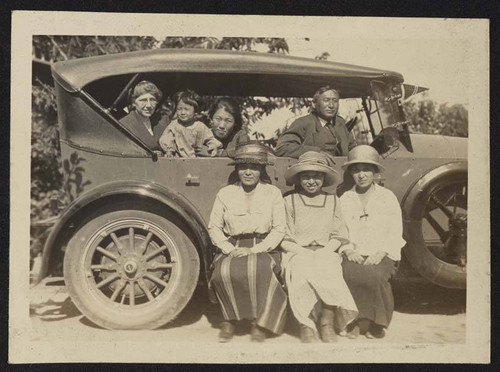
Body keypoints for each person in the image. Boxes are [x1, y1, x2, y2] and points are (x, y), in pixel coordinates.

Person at [208, 142, 288, 342]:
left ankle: (259, 323)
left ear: (262, 169)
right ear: (237, 169)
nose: (248, 172)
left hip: (264, 247)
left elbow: (279, 229)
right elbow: (214, 227)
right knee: (223, 271)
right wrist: (228, 248)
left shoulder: (272, 193)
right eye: (243, 167)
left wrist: (256, 249)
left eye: (254, 167)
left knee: (261, 269)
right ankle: (229, 320)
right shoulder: (225, 193)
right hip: (233, 246)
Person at [281, 151, 358, 343]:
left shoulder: (333, 201)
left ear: (323, 178)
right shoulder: (289, 201)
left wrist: (324, 251)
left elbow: (339, 233)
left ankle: (326, 321)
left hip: (326, 250)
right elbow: (283, 235)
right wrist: (302, 251)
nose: (311, 181)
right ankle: (305, 324)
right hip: (297, 251)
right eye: (306, 176)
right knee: (299, 274)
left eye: (316, 176)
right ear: (299, 179)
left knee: (330, 270)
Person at [339, 145, 406, 339]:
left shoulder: (387, 197)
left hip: (381, 252)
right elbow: (340, 229)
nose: (361, 175)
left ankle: (377, 323)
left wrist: (381, 252)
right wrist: (349, 250)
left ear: (375, 172)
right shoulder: (346, 198)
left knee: (376, 276)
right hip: (354, 251)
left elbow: (395, 230)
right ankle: (353, 321)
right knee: (350, 274)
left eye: (366, 169)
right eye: (356, 170)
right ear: (351, 173)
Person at [275, 85, 355, 158]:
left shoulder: (340, 123)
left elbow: (352, 148)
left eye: (335, 101)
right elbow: (282, 148)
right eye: (326, 100)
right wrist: (315, 152)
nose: (331, 105)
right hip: (314, 172)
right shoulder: (303, 123)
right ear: (314, 104)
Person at [159, 90, 222, 158]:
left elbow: (210, 139)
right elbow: (166, 139)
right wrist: (169, 150)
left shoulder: (200, 126)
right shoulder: (174, 125)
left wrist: (213, 146)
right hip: (178, 160)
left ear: (195, 111)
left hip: (197, 160)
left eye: (186, 109)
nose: (182, 112)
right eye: (179, 109)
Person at [120, 80, 169, 151]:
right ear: (133, 102)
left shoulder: (163, 120)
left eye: (152, 100)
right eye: (143, 100)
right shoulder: (124, 125)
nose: (149, 105)